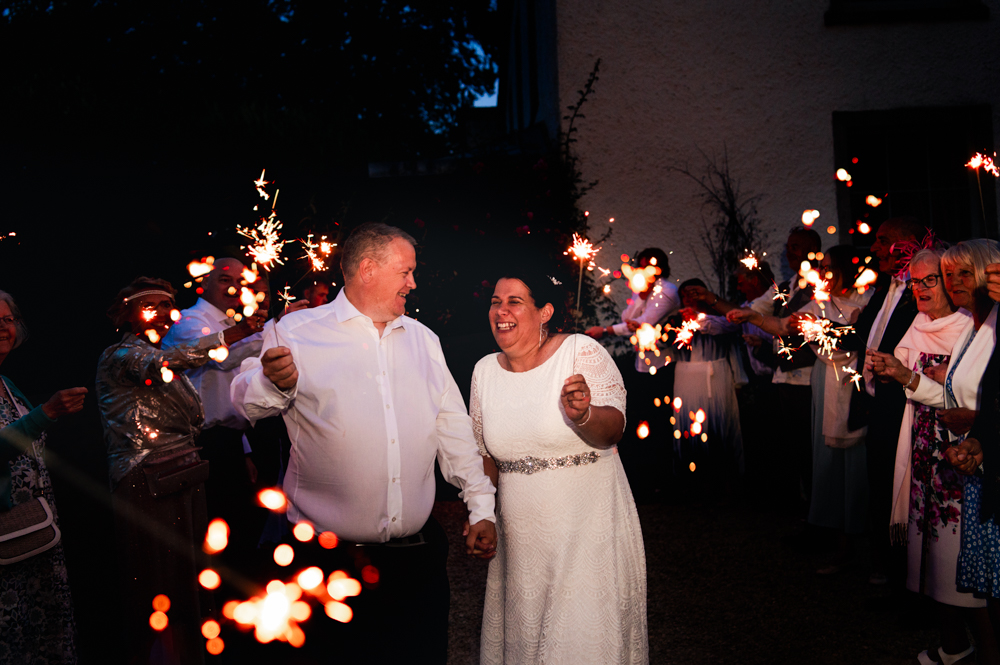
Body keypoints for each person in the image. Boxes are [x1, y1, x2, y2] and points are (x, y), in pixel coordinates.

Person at [231, 222, 496, 663]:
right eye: (405, 272)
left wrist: (480, 506)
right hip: (324, 562)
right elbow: (245, 401)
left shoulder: (423, 341)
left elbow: (453, 430)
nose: (413, 283)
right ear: (368, 269)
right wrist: (271, 382)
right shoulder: (297, 331)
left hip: (416, 560)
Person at [475, 268, 647, 664]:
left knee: (579, 641)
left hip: (587, 528)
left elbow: (614, 430)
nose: (501, 310)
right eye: (495, 301)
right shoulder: (484, 371)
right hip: (521, 537)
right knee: (526, 636)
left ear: (545, 311)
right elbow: (484, 453)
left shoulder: (580, 352)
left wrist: (584, 414)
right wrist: (481, 514)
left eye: (514, 301)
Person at [873, 239, 1000, 663]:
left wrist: (977, 422)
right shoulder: (977, 326)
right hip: (946, 453)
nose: (950, 283)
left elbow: (981, 400)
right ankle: (958, 646)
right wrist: (904, 376)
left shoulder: (982, 326)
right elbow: (949, 394)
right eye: (946, 276)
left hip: (977, 462)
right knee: (947, 560)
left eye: (961, 274)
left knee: (975, 572)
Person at [96, 277, 230, 665]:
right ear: (127, 313)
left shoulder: (153, 352)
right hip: (144, 480)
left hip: (180, 474)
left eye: (167, 305)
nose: (161, 314)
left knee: (189, 574)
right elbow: (165, 365)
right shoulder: (120, 355)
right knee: (156, 579)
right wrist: (232, 335)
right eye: (149, 305)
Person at [729, 245, 872, 573]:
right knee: (828, 463)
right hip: (825, 382)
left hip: (854, 384)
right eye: (819, 267)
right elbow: (783, 327)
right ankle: (837, 541)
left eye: (828, 268)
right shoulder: (819, 300)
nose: (820, 274)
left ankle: (867, 547)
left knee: (858, 467)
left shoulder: (868, 301)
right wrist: (752, 316)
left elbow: (859, 341)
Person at [702, 228, 823, 514]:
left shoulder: (820, 285)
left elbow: (789, 326)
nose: (789, 252)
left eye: (796, 247)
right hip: (785, 376)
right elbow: (748, 311)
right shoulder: (786, 286)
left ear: (813, 250)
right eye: (788, 247)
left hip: (808, 377)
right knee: (795, 448)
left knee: (811, 449)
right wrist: (711, 299)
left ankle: (818, 515)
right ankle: (804, 510)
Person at [161, 257, 268, 569]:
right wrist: (277, 329)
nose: (233, 286)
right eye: (224, 279)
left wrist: (244, 449)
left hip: (230, 439)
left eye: (238, 280)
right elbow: (222, 358)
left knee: (241, 525)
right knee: (214, 529)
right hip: (202, 443)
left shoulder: (232, 323)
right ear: (203, 283)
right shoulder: (189, 322)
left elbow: (225, 396)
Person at [0, 289, 85, 665]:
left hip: (33, 532)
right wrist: (46, 412)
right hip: (4, 543)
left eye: (7, 319)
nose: (3, 327)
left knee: (42, 635)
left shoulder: (6, 383)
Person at [845, 216, 923, 585]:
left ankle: (912, 579)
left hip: (904, 405)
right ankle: (889, 570)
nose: (874, 248)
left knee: (902, 494)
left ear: (906, 244)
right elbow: (862, 337)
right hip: (877, 405)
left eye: (882, 240)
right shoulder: (883, 288)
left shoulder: (919, 292)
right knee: (880, 487)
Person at [585, 247, 680, 500]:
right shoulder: (644, 291)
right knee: (642, 420)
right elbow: (628, 317)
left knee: (660, 422)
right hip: (642, 363)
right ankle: (645, 478)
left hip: (663, 365)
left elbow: (642, 323)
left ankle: (664, 482)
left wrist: (606, 330)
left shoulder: (667, 291)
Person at [671, 278, 745, 497]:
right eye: (684, 295)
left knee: (719, 426)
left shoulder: (721, 320)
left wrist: (739, 381)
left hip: (716, 377)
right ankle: (692, 484)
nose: (688, 299)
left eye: (693, 294)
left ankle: (724, 484)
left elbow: (733, 346)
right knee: (688, 428)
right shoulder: (674, 321)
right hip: (686, 379)